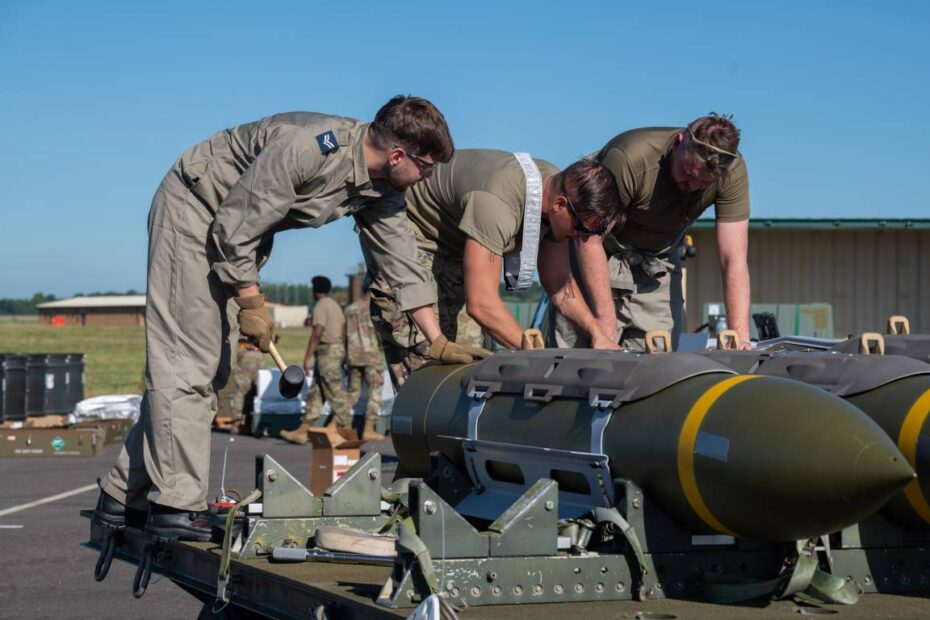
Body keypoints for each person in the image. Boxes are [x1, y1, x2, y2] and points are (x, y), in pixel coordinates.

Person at [92, 96, 488, 543]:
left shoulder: (383, 189)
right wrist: (251, 303)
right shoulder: (309, 148)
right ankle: (175, 506)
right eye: (427, 167)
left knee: (210, 371)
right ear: (398, 155)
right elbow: (234, 228)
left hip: (235, 233)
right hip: (196, 212)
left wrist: (435, 340)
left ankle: (123, 494)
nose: (428, 178)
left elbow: (402, 266)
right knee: (187, 367)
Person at [369, 149, 624, 388]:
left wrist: (596, 333)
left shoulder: (558, 194)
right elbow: (482, 304)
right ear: (559, 204)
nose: (582, 239)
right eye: (582, 231)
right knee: (426, 364)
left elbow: (558, 282)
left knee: (467, 362)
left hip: (455, 247)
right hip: (410, 238)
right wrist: (542, 358)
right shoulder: (499, 203)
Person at [552, 114, 751, 351]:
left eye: (703, 183)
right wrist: (604, 327)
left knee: (659, 355)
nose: (693, 186)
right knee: (584, 354)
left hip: (657, 261)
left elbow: (733, 259)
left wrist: (739, 337)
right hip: (599, 250)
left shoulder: (732, 172)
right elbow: (589, 241)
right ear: (679, 142)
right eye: (687, 173)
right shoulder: (631, 158)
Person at [280, 276, 350, 444]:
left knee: (334, 391)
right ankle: (303, 431)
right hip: (336, 350)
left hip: (328, 352)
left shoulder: (320, 306)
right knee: (316, 393)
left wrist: (306, 359)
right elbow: (343, 331)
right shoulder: (335, 306)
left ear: (316, 290)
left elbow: (317, 333)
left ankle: (346, 429)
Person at [344, 284, 387, 441]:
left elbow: (344, 335)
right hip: (371, 355)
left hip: (353, 355)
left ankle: (339, 422)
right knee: (374, 391)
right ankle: (369, 428)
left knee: (352, 393)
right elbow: (380, 334)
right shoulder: (374, 308)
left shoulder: (349, 309)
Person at [227, 336, 263, 434]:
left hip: (254, 350)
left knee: (251, 391)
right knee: (247, 391)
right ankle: (240, 422)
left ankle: (244, 423)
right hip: (252, 350)